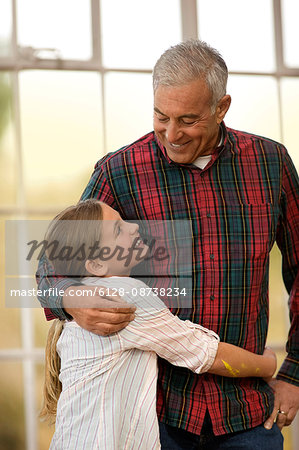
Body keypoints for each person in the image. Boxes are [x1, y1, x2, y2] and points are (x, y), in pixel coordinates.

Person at [36, 40, 299, 449]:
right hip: (154, 417)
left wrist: (293, 372)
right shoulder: (119, 171)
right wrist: (69, 297)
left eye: (188, 120)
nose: (171, 134)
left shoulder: (270, 163)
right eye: (161, 117)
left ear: (221, 107)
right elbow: (53, 261)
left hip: (247, 413)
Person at [40, 199, 277, 450]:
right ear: (96, 264)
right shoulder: (124, 295)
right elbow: (205, 354)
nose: (133, 227)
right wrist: (267, 365)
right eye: (119, 229)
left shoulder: (80, 304)